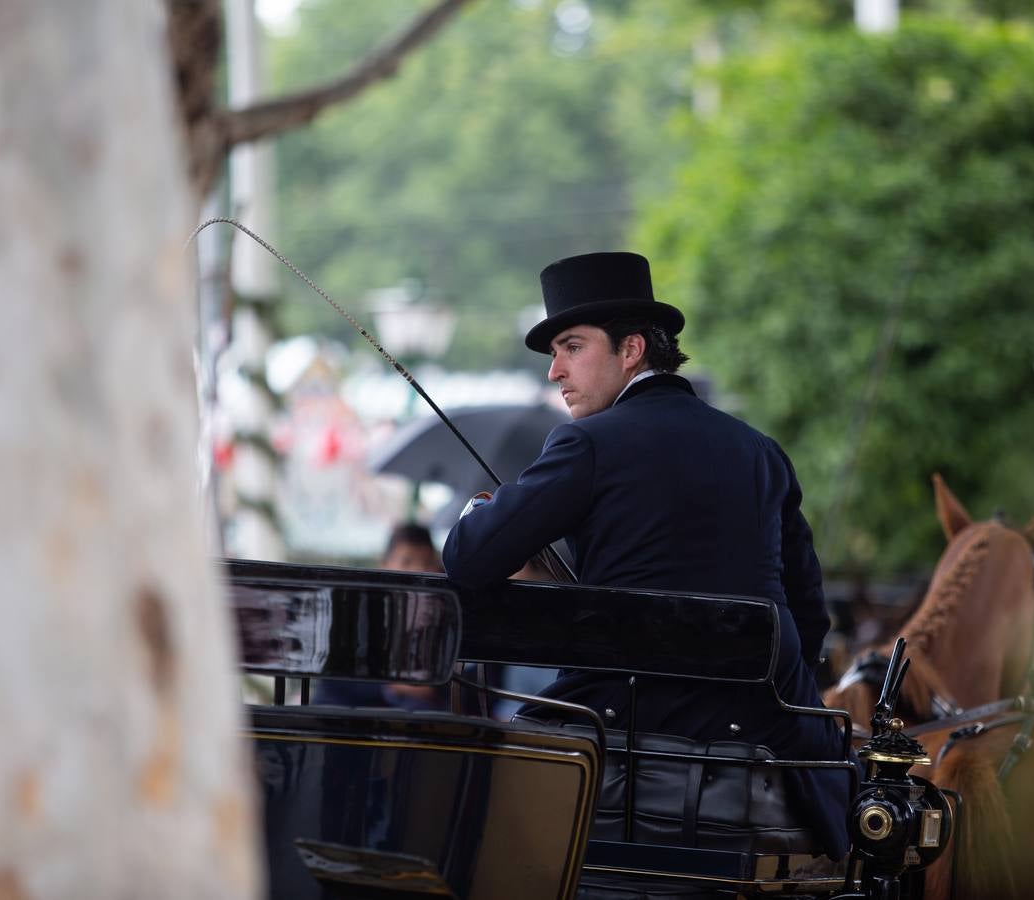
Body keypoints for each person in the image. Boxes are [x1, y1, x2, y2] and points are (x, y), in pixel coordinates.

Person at [441, 251, 849, 858]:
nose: (555, 371)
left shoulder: (586, 444)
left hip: (618, 738)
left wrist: (480, 509)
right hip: (775, 739)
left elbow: (468, 560)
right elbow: (808, 612)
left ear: (631, 350)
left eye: (571, 347)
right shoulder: (760, 452)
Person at [313, 521, 447, 710]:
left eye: (426, 562)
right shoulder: (353, 613)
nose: (418, 571)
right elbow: (336, 680)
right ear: (384, 566)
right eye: (407, 561)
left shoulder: (446, 619)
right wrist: (398, 685)